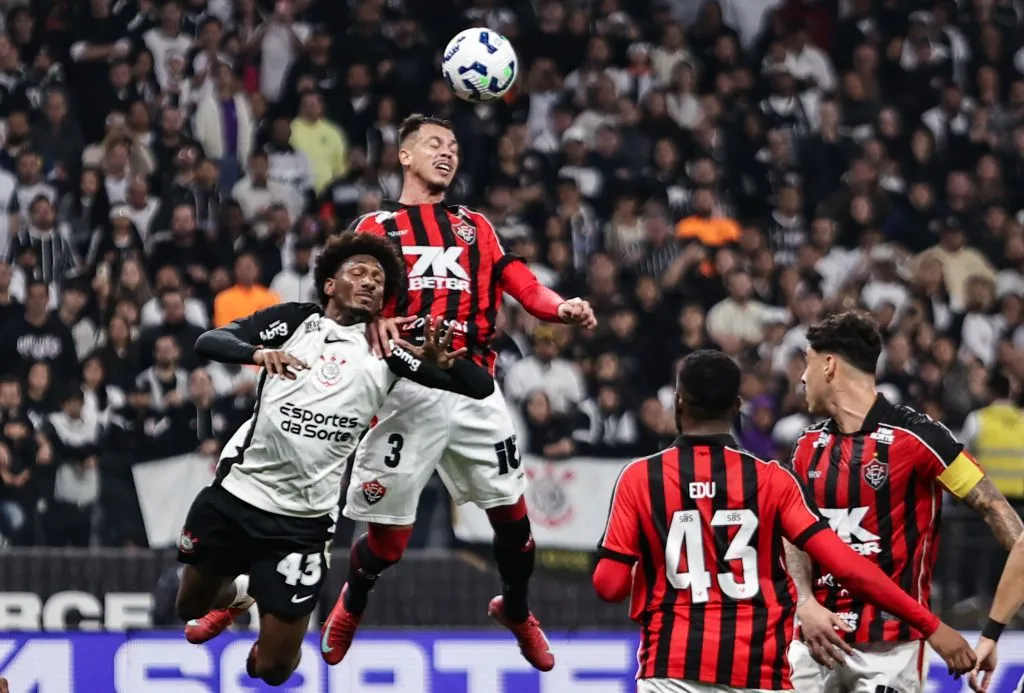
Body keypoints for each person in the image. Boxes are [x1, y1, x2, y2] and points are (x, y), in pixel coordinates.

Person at [321, 114, 597, 671]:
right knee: (389, 544)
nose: (446, 153)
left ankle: (516, 609)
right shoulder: (374, 228)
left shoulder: (475, 227)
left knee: (514, 523)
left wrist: (558, 306)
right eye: (432, 145)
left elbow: (522, 283)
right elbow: (343, 303)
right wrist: (364, 322)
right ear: (403, 156)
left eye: (452, 146)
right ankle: (354, 597)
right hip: (403, 394)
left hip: (474, 391)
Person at [174, 232, 495, 687]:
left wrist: (443, 365)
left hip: (303, 522)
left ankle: (255, 593)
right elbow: (209, 341)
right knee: (189, 607)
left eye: (378, 279)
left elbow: (479, 387)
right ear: (328, 285)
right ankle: (241, 593)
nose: (369, 283)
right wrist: (258, 354)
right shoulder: (294, 322)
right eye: (358, 272)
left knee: (275, 670)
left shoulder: (390, 349)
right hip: (239, 495)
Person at [593, 349, 976, 693]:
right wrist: (931, 625)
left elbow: (609, 586)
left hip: (670, 668)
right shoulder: (772, 479)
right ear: (737, 405)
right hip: (757, 672)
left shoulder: (640, 479)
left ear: (678, 403)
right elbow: (848, 567)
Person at [783, 311, 1023, 693]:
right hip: (813, 646)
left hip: (889, 653)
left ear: (828, 365)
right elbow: (793, 536)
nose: (801, 377)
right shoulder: (807, 446)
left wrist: (996, 623)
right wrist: (805, 601)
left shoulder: (920, 438)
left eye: (807, 363)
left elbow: (997, 510)